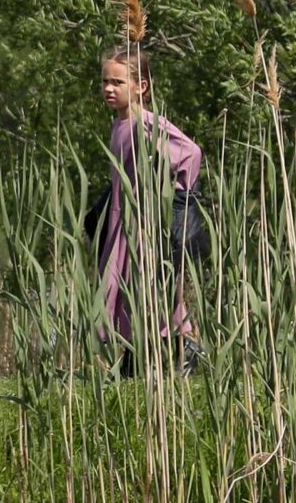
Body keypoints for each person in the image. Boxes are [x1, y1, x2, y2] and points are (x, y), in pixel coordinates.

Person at [94, 46, 206, 378]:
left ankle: (184, 347)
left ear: (141, 86)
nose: (109, 89)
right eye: (105, 82)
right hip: (120, 223)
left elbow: (190, 153)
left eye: (118, 82)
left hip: (141, 226)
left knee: (146, 293)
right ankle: (132, 365)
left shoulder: (147, 124)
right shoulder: (120, 124)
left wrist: (178, 203)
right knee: (122, 293)